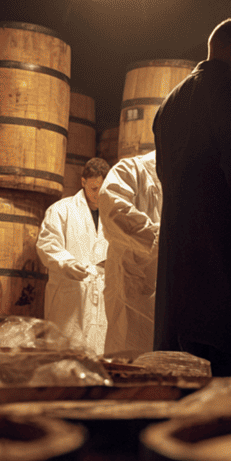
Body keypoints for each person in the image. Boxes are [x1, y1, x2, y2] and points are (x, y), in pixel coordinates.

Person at [152, 18, 231, 377]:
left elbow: (166, 175)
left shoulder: (168, 104)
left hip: (179, 262)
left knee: (185, 379)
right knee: (229, 377)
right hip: (222, 260)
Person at [36, 156, 110, 354]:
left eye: (102, 190)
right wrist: (67, 263)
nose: (97, 195)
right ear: (83, 182)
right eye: (93, 189)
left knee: (100, 356)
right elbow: (47, 245)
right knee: (65, 355)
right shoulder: (62, 210)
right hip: (69, 295)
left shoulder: (112, 215)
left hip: (101, 295)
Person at [98, 150, 163, 357]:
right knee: (130, 355)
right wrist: (162, 237)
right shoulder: (130, 171)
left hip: (171, 288)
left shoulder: (189, 177)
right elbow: (114, 213)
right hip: (132, 285)